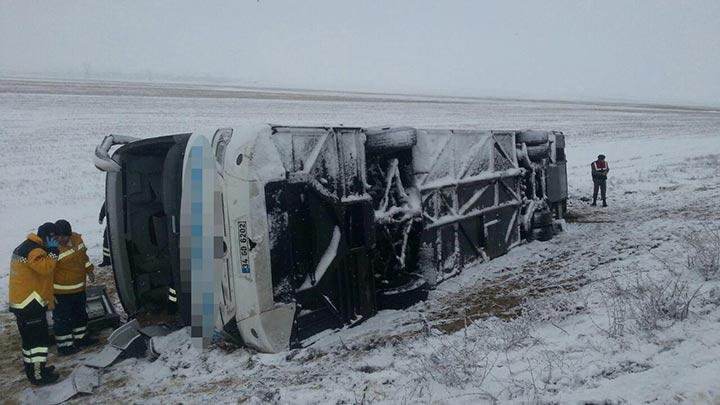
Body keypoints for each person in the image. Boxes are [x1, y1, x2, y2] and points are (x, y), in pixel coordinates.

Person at [8, 222, 61, 385]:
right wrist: (53, 252)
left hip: (22, 302)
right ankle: (38, 376)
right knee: (37, 342)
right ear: (48, 237)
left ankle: (35, 371)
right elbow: (45, 269)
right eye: (54, 238)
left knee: (30, 342)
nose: (57, 241)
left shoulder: (25, 246)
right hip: (29, 304)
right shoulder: (35, 251)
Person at [52, 220, 99, 355]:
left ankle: (81, 338)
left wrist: (89, 270)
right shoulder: (51, 248)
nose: (61, 239)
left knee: (80, 315)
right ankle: (65, 346)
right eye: (58, 236)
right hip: (61, 292)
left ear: (69, 234)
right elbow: (47, 272)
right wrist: (49, 292)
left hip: (79, 289)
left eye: (64, 236)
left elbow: (83, 258)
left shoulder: (78, 240)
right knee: (62, 319)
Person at [98, 202, 111, 267]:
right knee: (106, 242)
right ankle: (107, 260)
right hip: (111, 224)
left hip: (121, 224)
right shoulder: (111, 197)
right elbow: (104, 208)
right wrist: (101, 217)